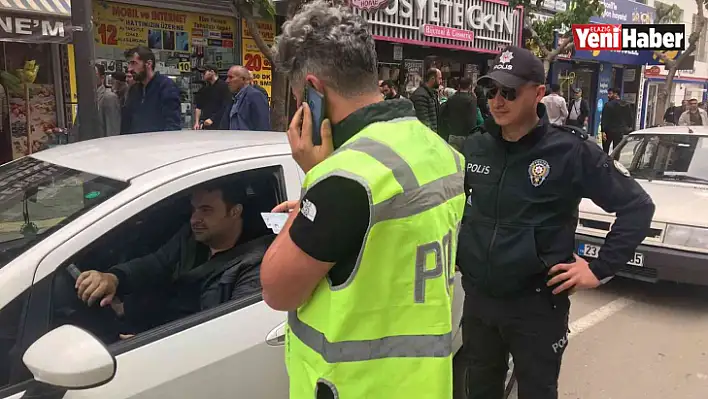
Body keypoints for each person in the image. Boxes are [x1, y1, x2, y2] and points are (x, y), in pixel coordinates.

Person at [261, 1, 466, 398]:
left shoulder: (344, 177)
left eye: (299, 97)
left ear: (314, 91)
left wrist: (313, 181)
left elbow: (277, 290)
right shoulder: (437, 150)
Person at [457, 46, 655, 399]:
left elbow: (637, 207)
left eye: (509, 92)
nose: (498, 101)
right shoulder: (476, 149)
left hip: (536, 307)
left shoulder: (571, 151)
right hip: (479, 302)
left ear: (537, 94)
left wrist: (599, 268)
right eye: (491, 91)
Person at [75, 181, 274, 337]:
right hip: (153, 328)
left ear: (234, 212)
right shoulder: (191, 237)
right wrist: (113, 278)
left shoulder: (255, 262)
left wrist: (155, 344)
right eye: (194, 209)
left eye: (206, 210)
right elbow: (156, 263)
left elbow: (232, 332)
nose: (194, 219)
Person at [122, 46, 182, 134]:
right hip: (136, 144)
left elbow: (172, 125)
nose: (130, 69)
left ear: (148, 64)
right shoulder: (134, 90)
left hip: (158, 145)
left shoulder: (166, 86)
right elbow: (127, 123)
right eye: (129, 64)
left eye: (134, 63)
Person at [218, 65, 271, 131]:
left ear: (243, 79)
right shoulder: (233, 97)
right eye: (227, 77)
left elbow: (262, 125)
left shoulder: (255, 96)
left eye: (231, 77)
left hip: (249, 140)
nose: (227, 81)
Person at [439, 77, 480, 149]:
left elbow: (444, 114)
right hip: (466, 135)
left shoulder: (451, 99)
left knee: (453, 158)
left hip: (453, 134)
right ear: (470, 86)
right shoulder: (472, 100)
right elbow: (472, 120)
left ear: (459, 86)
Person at [193, 65, 230, 130]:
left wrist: (213, 119)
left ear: (212, 72)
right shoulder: (204, 89)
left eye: (204, 72)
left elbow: (226, 106)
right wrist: (197, 122)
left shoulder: (224, 86)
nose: (202, 75)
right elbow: (198, 106)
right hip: (206, 124)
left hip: (220, 124)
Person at [600, 88, 633, 153]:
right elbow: (630, 118)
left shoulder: (608, 105)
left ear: (615, 94)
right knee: (617, 150)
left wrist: (603, 131)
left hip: (608, 131)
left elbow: (604, 118)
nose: (608, 96)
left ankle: (605, 162)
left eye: (610, 94)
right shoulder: (626, 105)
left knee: (605, 150)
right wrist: (628, 127)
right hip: (619, 131)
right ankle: (615, 162)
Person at [411, 67, 442, 132]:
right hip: (425, 136)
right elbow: (424, 121)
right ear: (432, 79)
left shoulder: (431, 94)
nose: (441, 81)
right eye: (439, 78)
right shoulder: (421, 95)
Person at [94, 65, 121, 136]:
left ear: (102, 78)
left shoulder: (109, 98)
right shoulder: (86, 99)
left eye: (94, 75)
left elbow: (112, 129)